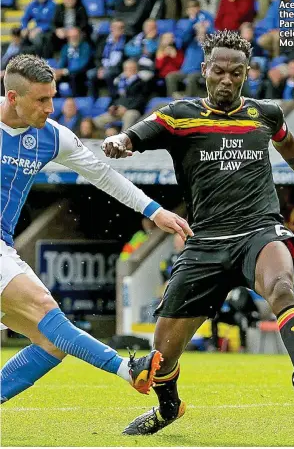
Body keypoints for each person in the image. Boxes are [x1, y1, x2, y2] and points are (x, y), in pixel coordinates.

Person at [102, 30, 294, 434]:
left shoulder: (266, 114)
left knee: (282, 286)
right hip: (205, 244)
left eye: (236, 73)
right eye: (219, 71)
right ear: (204, 70)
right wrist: (119, 141)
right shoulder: (179, 114)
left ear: (247, 73)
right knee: (161, 356)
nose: (227, 80)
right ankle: (168, 408)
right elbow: (134, 134)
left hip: (259, 231)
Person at [0, 55, 193, 407]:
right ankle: (126, 369)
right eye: (42, 100)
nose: (51, 108)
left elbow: (102, 175)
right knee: (46, 310)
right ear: (13, 98)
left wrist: (155, 210)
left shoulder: (52, 137)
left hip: (4, 246)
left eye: (53, 97)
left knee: (52, 342)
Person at [210, 287, 260, 352]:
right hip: (234, 315)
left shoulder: (241, 289)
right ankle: (215, 346)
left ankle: (243, 346)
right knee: (215, 318)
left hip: (248, 317)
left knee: (240, 318)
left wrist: (229, 300)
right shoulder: (228, 289)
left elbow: (241, 306)